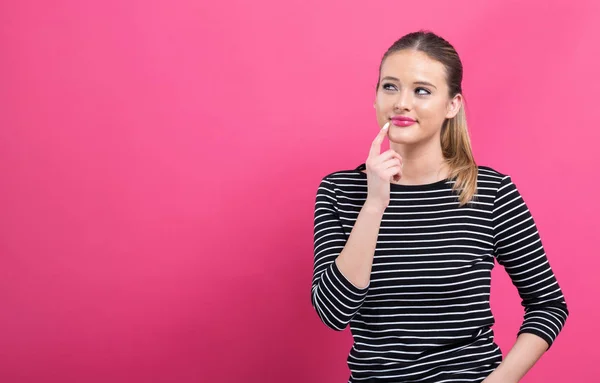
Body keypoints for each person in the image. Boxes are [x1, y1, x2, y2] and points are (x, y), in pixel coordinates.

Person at [311, 30, 569, 383]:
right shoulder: (342, 191)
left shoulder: (491, 191)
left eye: (422, 91)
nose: (402, 102)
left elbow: (548, 305)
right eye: (390, 86)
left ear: (452, 105)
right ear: (375, 98)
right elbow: (333, 312)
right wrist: (374, 204)